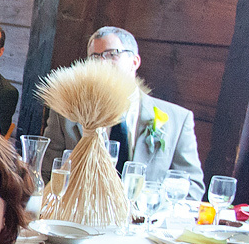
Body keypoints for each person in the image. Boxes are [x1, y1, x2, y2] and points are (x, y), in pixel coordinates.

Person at [43, 26, 205, 199]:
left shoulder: (177, 120)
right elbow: (47, 174)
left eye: (112, 54)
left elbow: (192, 187)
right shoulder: (67, 115)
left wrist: (152, 205)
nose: (102, 63)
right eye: (95, 57)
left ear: (134, 62)